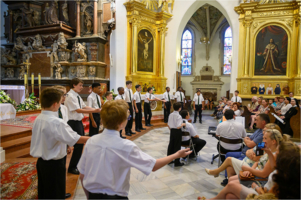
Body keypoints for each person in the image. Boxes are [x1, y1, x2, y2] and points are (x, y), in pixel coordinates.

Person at [77, 100, 192, 199]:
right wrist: (176, 155)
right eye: (128, 118)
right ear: (122, 124)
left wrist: (89, 197)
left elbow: (82, 174)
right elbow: (153, 166)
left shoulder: (91, 141)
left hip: (93, 195)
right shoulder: (125, 145)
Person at [30, 88, 90, 199]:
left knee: (45, 190)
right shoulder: (56, 122)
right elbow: (75, 138)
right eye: (59, 101)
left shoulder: (39, 118)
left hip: (42, 162)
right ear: (55, 104)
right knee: (55, 192)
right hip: (54, 164)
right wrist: (96, 139)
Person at [203, 140, 299, 200]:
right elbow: (256, 157)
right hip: (259, 183)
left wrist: (254, 186)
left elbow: (267, 194)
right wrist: (268, 152)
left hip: (261, 190)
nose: (275, 155)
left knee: (231, 182)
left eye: (277, 154)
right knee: (229, 195)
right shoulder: (284, 170)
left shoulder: (281, 178)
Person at [220, 114, 269, 186]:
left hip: (248, 161)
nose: (254, 122)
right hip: (246, 155)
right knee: (228, 155)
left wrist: (249, 148)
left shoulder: (264, 143)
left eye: (256, 120)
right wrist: (248, 150)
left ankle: (224, 177)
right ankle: (229, 180)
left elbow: (256, 156)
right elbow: (248, 140)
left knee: (229, 161)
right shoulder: (261, 135)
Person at [64, 78, 101, 175]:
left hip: (78, 122)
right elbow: (78, 110)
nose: (82, 87)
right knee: (78, 144)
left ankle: (75, 165)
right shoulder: (70, 96)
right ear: (74, 85)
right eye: (80, 85)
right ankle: (72, 167)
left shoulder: (76, 95)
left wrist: (96, 109)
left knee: (80, 145)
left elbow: (84, 106)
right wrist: (93, 111)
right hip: (73, 122)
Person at [167, 102, 186, 167]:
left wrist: (171, 129)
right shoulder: (179, 116)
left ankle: (169, 160)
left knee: (171, 145)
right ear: (180, 108)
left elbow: (168, 124)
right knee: (177, 146)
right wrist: (183, 124)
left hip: (172, 131)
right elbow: (178, 126)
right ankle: (177, 162)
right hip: (177, 131)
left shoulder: (170, 114)